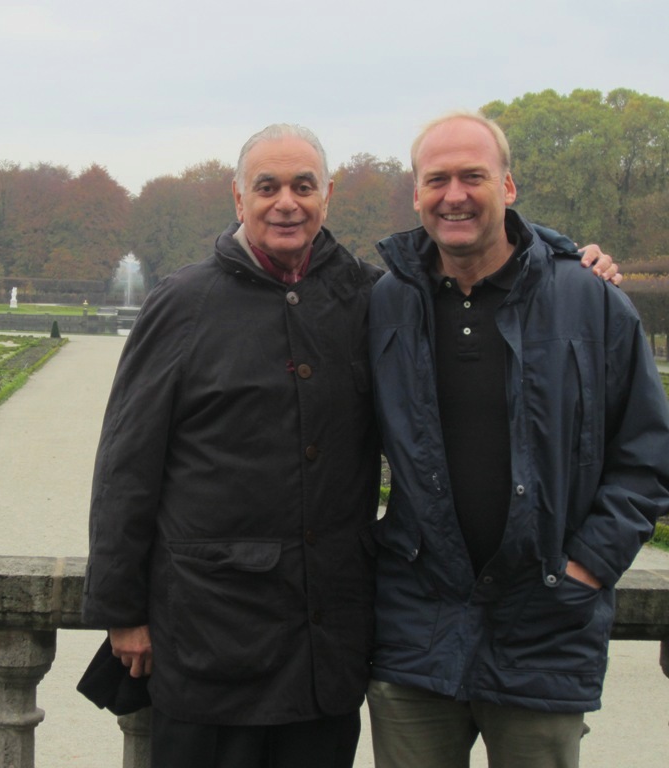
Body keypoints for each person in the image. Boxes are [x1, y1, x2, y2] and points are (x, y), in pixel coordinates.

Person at [82, 123, 618, 768]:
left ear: (327, 196)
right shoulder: (184, 301)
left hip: (326, 640)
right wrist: (123, 611)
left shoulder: (370, 295)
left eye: (304, 186)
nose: (287, 202)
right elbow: (126, 466)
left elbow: (482, 261)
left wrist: (566, 257)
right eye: (268, 187)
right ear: (238, 198)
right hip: (209, 632)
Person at [366, 111, 669, 768]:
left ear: (508, 185)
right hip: (417, 627)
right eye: (436, 179)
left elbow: (646, 458)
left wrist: (587, 566)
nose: (454, 194)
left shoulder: (592, 302)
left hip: (547, 628)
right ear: (416, 194)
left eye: (473, 175)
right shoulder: (384, 304)